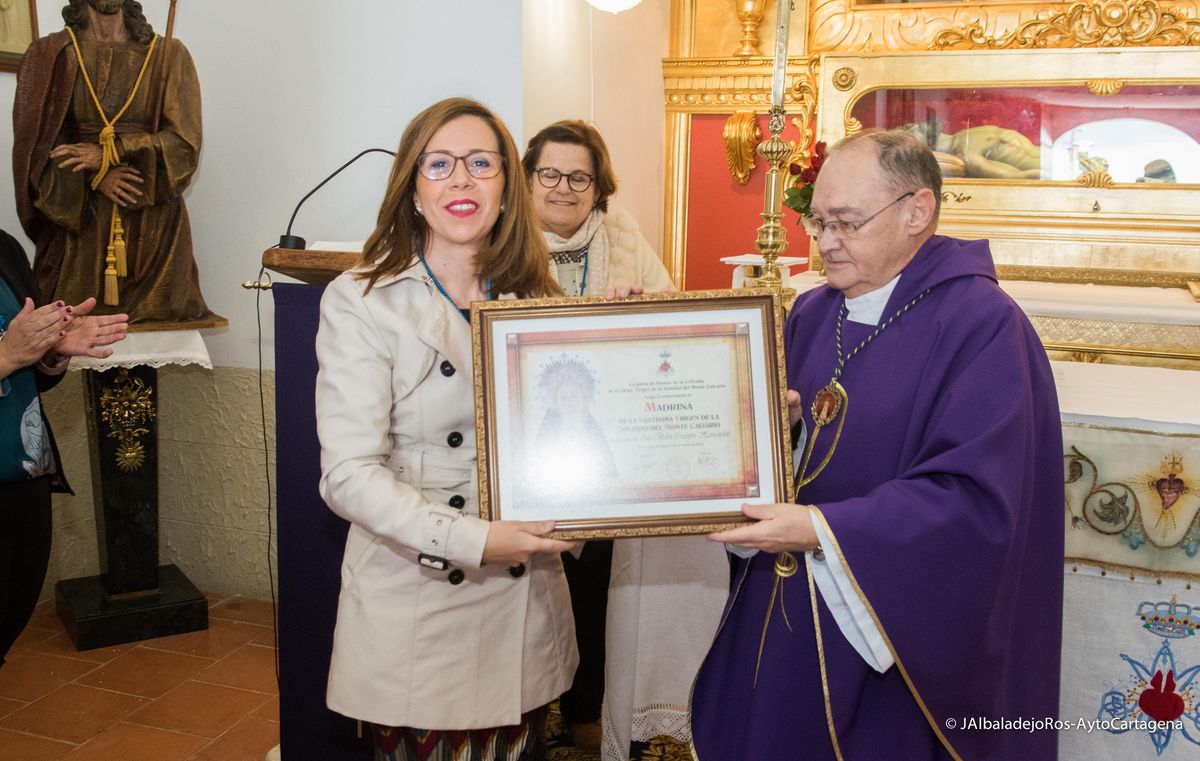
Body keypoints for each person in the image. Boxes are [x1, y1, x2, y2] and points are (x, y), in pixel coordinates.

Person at [690, 130, 1064, 760]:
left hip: (891, 630)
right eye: (818, 222)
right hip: (787, 609)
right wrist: (774, 437)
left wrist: (821, 530)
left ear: (917, 212)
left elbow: (975, 503)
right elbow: (811, 447)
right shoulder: (812, 312)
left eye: (847, 222)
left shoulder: (983, 325)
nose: (826, 242)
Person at [315, 97, 577, 761]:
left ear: (506, 187)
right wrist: (476, 537)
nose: (460, 179)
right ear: (413, 190)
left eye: (481, 162)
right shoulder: (362, 300)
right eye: (439, 164)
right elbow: (348, 474)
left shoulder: (542, 300)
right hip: (421, 602)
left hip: (526, 606)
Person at [522, 120, 725, 759]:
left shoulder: (623, 235)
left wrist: (634, 311)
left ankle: (584, 711)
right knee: (532, 572)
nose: (563, 188)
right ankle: (536, 704)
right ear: (527, 179)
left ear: (597, 185)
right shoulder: (504, 240)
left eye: (578, 176)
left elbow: (669, 317)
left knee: (598, 576)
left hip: (607, 445)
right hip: (531, 440)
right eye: (549, 174)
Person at [13, 0, 212, 325]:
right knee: (73, 337)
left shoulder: (169, 55)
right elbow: (34, 151)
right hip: (80, 235)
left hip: (152, 232)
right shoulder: (50, 55)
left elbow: (185, 146)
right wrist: (96, 174)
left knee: (152, 343)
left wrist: (113, 151)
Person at [1, 227, 128, 666]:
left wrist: (53, 351)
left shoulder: (4, 248)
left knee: (10, 616)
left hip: (22, 476)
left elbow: (29, 376)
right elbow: (8, 357)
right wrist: (4, 356)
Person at [901, 116, 1042, 180]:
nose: (912, 126)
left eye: (906, 126)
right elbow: (1015, 176)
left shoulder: (962, 136)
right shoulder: (965, 154)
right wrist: (1056, 177)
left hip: (1052, 152)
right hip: (1051, 166)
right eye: (906, 131)